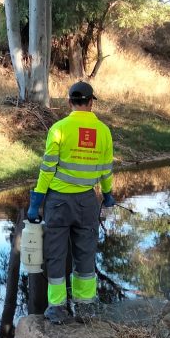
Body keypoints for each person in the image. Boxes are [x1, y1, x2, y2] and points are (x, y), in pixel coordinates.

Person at [27, 81, 115, 324]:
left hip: (58, 202)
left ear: (69, 102)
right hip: (88, 200)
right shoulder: (104, 132)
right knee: (85, 252)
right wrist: (107, 195)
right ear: (90, 102)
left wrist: (37, 200)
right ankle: (85, 307)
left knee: (56, 254)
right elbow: (106, 170)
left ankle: (57, 308)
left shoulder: (59, 128)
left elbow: (47, 168)